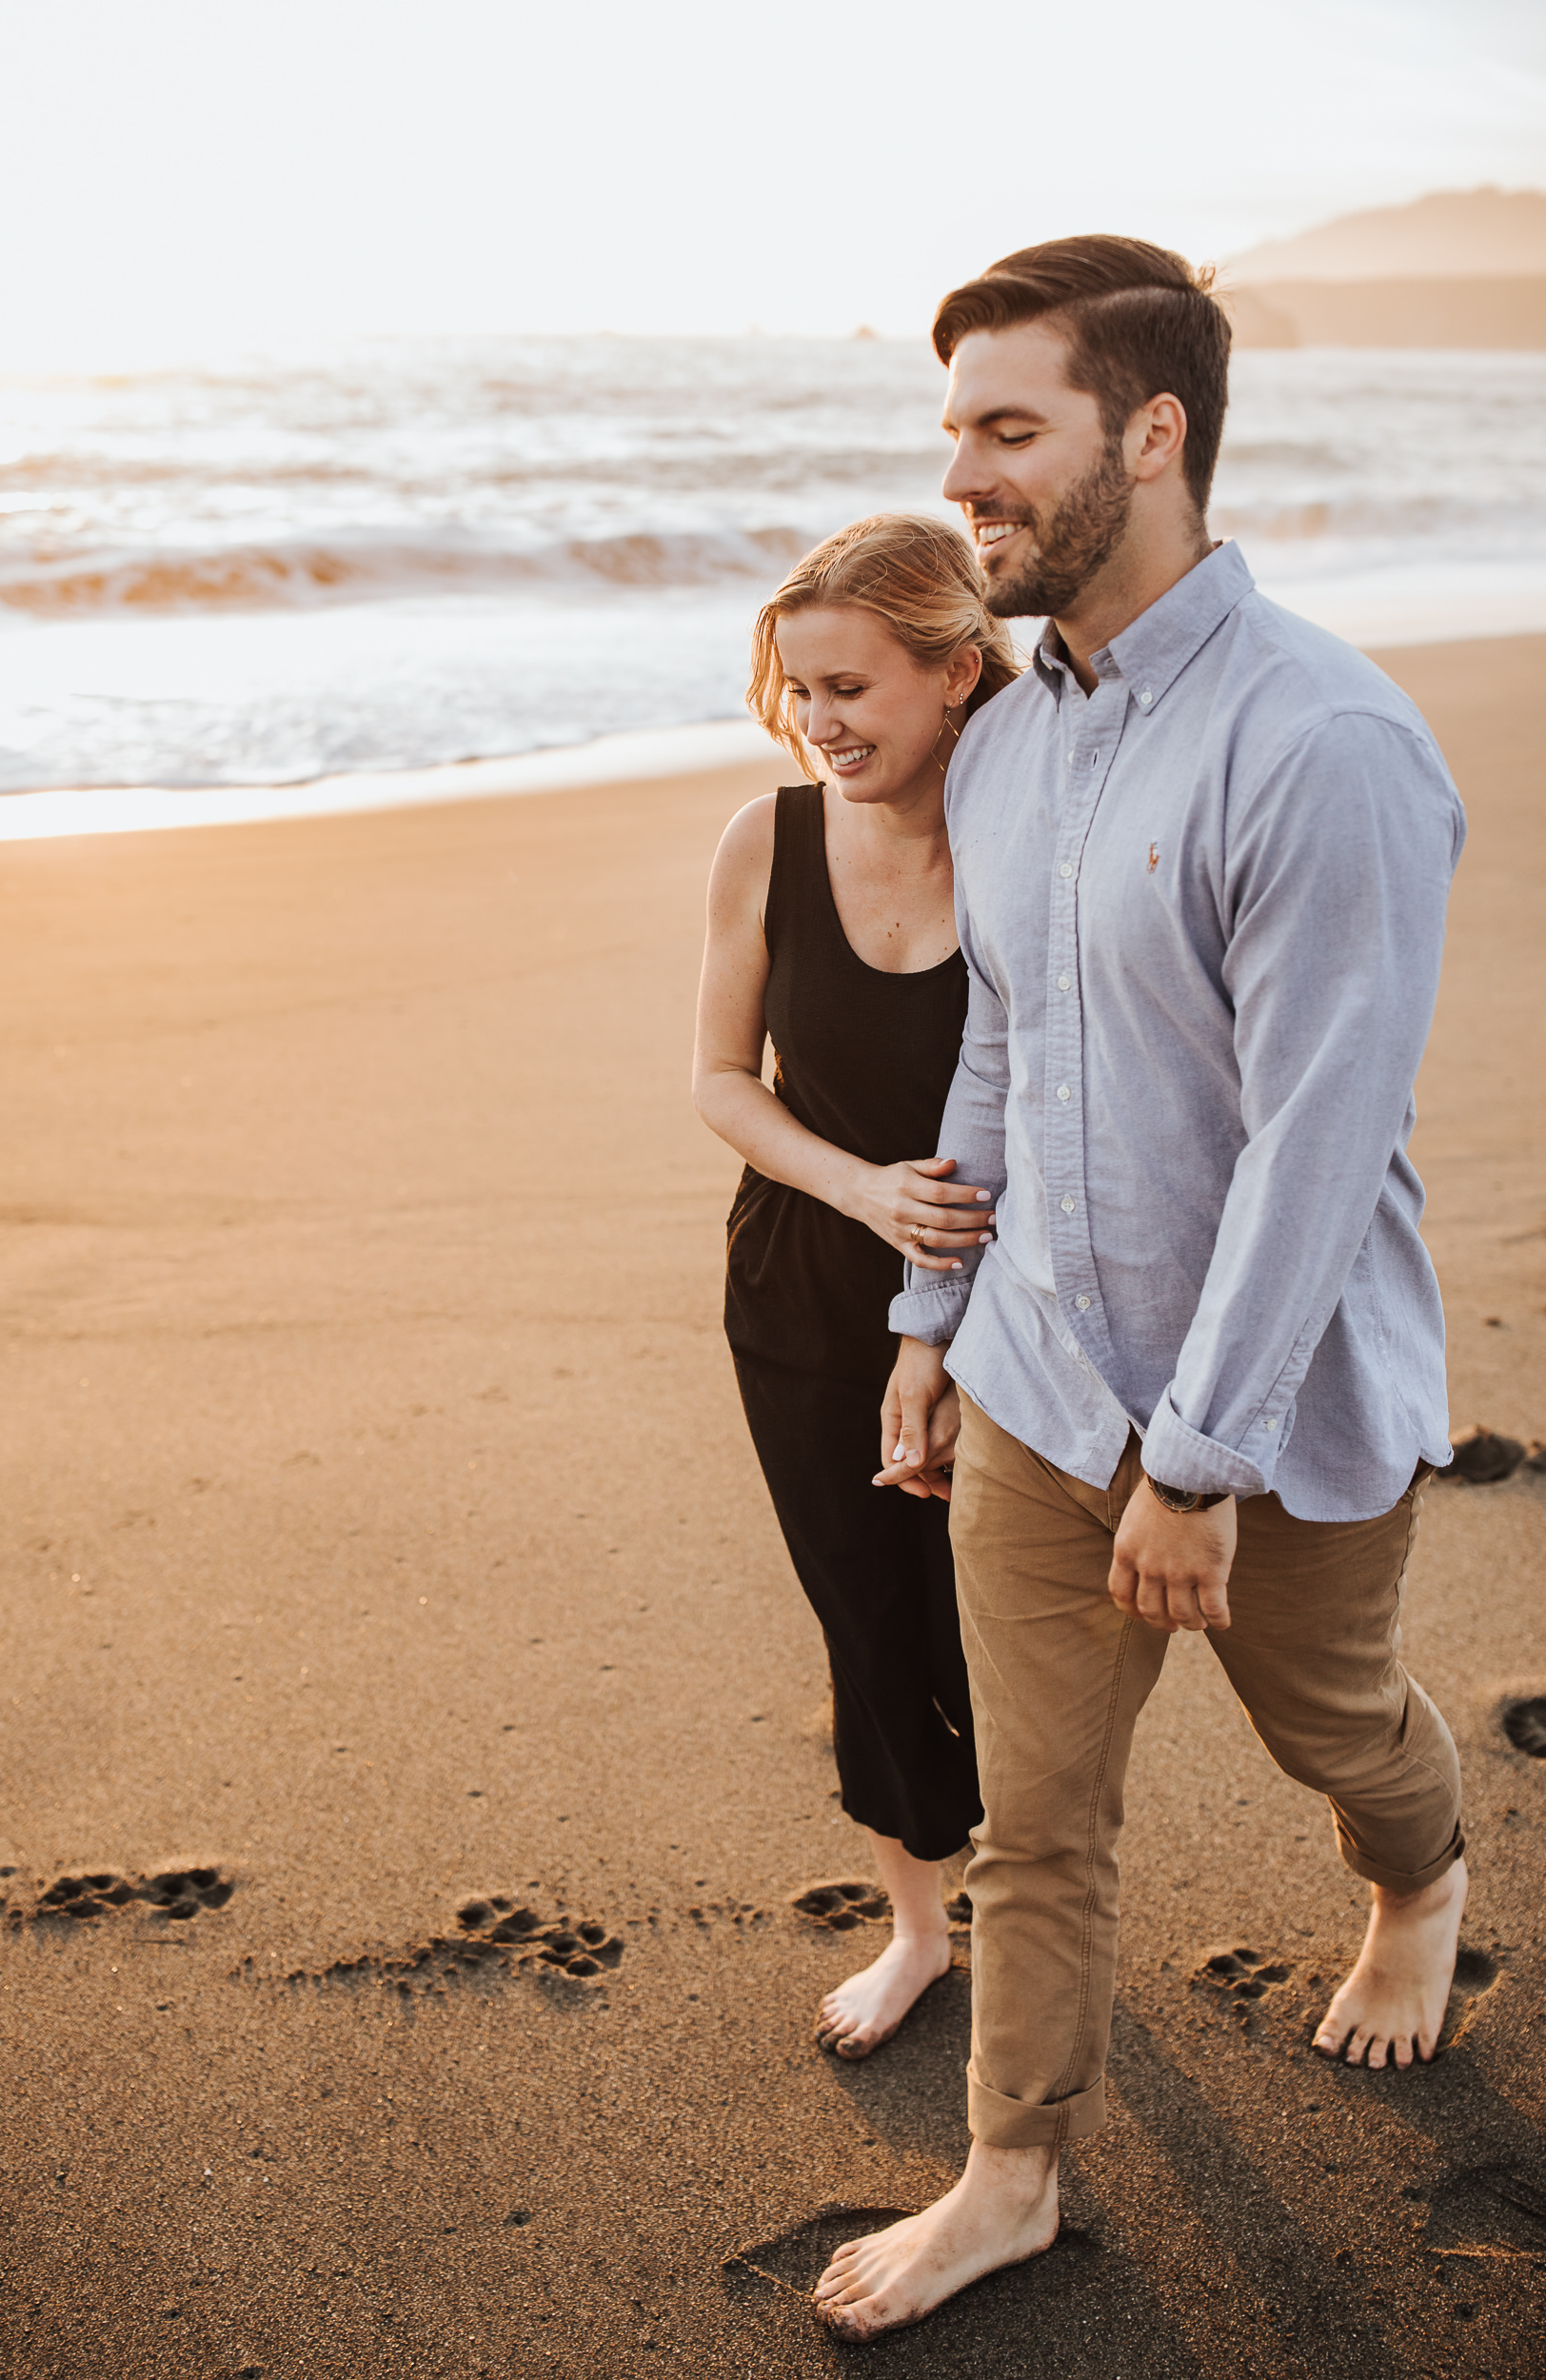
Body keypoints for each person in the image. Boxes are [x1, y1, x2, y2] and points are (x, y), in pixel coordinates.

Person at [814, 237, 1468, 2338]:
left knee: (1331, 1717)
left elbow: (1313, 1142)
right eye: (954, 437)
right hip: (1031, 1376)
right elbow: (998, 1039)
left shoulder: (1327, 743)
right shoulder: (1007, 742)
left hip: (1264, 1408)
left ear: (1152, 433)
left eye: (1010, 432)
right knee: (1039, 1809)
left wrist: (1197, 1458)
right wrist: (931, 1331)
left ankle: (1423, 1874)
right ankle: (1012, 2171)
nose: (966, 480)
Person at [692, 515, 1019, 2058]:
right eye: (797, 689)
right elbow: (718, 1083)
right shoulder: (767, 838)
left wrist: (939, 1277)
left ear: (957, 669)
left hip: (1009, 1282)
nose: (821, 724)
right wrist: (862, 1189)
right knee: (866, 1619)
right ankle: (916, 1929)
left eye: (850, 688)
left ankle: (1036, 1909)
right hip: (808, 1285)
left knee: (1006, 1632)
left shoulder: (1035, 832)